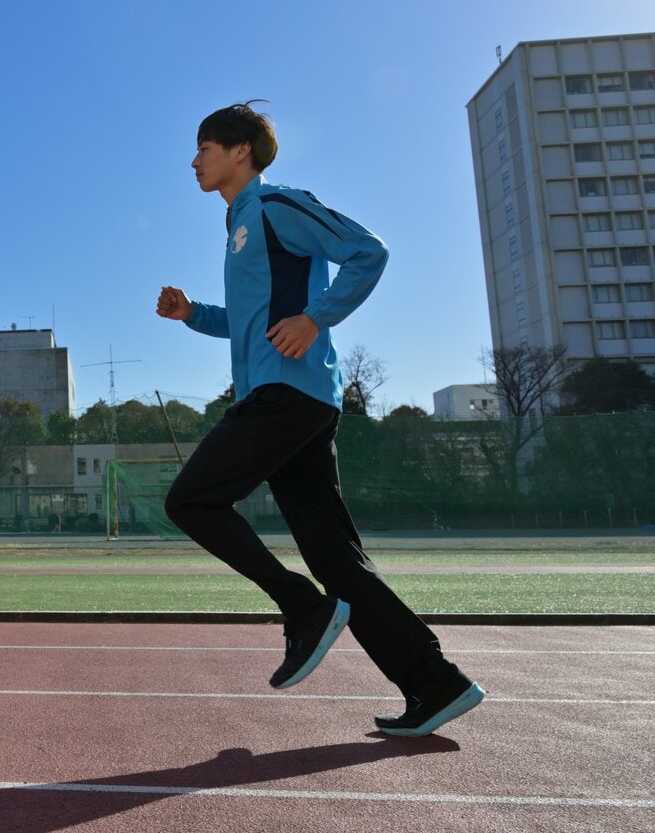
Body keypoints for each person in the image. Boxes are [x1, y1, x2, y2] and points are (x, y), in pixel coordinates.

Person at [155, 100, 483, 737]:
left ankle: (302, 607)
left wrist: (317, 318)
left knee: (191, 500)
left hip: (290, 396)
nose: (194, 161)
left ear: (240, 150)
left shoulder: (277, 206)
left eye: (204, 147)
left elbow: (368, 251)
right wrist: (193, 313)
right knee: (337, 558)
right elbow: (250, 324)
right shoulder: (239, 227)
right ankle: (436, 684)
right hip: (280, 398)